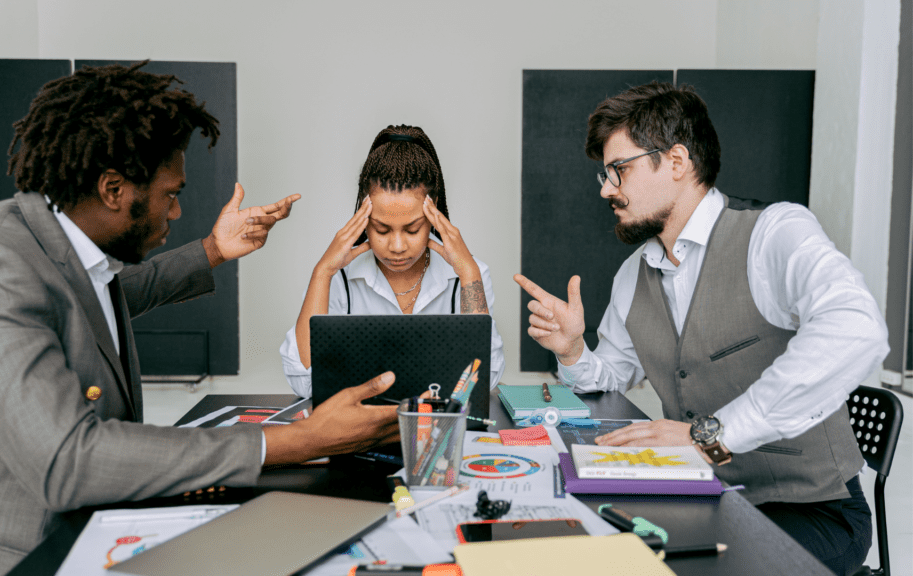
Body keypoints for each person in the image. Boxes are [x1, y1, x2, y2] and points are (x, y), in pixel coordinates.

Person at [0, 62, 399, 576]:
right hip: (15, 555)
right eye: (172, 195)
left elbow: (108, 299)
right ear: (114, 190)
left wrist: (213, 250)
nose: (177, 213)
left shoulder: (58, 248)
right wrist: (299, 441)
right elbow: (69, 461)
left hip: (95, 525)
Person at [515, 82, 886, 576]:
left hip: (812, 511)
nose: (606, 188)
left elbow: (856, 326)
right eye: (604, 174)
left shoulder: (773, 234)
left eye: (617, 170)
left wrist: (710, 435)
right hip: (701, 493)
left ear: (676, 161)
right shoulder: (634, 273)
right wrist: (572, 351)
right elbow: (612, 376)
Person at [280, 125, 505, 397]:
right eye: (381, 229)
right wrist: (322, 272)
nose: (397, 247)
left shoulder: (470, 275)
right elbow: (304, 381)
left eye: (412, 229)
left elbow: (481, 381)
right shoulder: (336, 277)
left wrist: (468, 273)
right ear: (363, 219)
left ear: (433, 214)